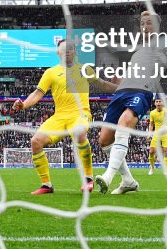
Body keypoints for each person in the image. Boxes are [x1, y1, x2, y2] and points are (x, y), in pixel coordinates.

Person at [94, 12, 167, 195]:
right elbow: (125, 80)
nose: (145, 27)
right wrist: (110, 81)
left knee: (123, 124)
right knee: (104, 139)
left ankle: (108, 177)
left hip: (142, 92)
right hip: (121, 93)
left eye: (149, 23)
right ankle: (128, 181)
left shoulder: (164, 42)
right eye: (143, 24)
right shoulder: (138, 52)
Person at [12, 39, 117, 195]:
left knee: (79, 132)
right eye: (63, 48)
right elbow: (37, 93)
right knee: (35, 142)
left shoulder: (84, 69)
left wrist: (123, 88)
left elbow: (103, 84)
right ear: (58, 52)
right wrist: (24, 104)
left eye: (70, 49)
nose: (67, 51)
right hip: (60, 117)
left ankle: (88, 179)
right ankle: (46, 185)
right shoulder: (50, 73)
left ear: (74, 52)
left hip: (80, 114)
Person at [147, 97, 167, 175]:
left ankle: (166, 170)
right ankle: (152, 167)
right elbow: (151, 125)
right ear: (155, 103)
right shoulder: (152, 113)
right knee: (151, 151)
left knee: (166, 152)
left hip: (166, 134)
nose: (158, 103)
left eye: (160, 101)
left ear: (162, 103)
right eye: (157, 101)